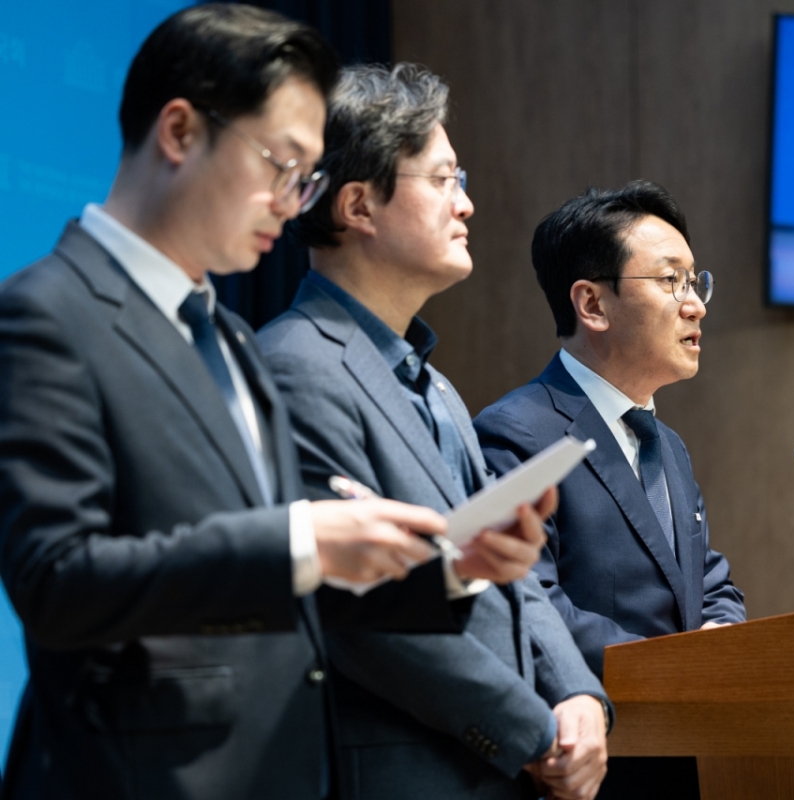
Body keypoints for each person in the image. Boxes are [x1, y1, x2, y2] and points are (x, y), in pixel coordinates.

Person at [0, 7, 529, 799]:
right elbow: (58, 580)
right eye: (281, 165)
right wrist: (301, 540)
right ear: (179, 132)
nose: (292, 204)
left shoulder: (235, 340)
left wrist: (448, 571)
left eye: (307, 177)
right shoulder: (47, 313)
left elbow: (297, 583)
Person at [258, 63, 610, 800]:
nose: (468, 204)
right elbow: (363, 618)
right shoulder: (294, 367)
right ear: (358, 205)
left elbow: (514, 575)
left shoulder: (434, 382)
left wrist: (578, 697)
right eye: (445, 179)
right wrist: (532, 733)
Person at [474, 181, 746, 800]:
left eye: (696, 282)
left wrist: (724, 640)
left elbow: (710, 583)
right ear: (592, 304)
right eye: (671, 281)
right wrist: (678, 668)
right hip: (591, 768)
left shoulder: (668, 444)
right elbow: (529, 599)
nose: (696, 304)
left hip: (687, 760)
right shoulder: (517, 432)